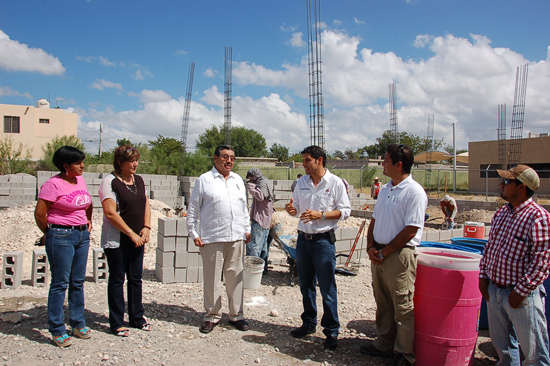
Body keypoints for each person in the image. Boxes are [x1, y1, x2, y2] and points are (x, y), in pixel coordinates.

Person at [361, 144, 427, 366]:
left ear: (399, 165)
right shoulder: (387, 188)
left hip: (398, 255)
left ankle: (404, 354)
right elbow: (374, 220)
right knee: (383, 302)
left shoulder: (414, 192)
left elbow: (411, 229)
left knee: (402, 305)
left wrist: (384, 251)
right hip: (379, 253)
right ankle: (384, 343)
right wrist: (370, 247)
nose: (383, 165)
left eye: (386, 160)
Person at [479, 165, 550, 365]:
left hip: (522, 297)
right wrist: (483, 276)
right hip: (495, 291)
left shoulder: (537, 217)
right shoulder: (502, 214)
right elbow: (490, 248)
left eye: (508, 181)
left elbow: (542, 262)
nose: (502, 184)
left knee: (535, 354)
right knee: (504, 349)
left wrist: (520, 291)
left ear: (522, 187)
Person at [285, 145, 351, 350]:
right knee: (306, 286)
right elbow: (295, 209)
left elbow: (345, 211)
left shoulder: (335, 183)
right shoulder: (301, 182)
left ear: (319, 160)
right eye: (303, 161)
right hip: (303, 241)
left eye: (307, 160)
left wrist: (321, 215)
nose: (303, 164)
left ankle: (331, 331)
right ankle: (309, 323)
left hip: (323, 242)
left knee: (327, 288)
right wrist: (292, 209)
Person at [186, 145, 252, 334]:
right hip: (212, 237)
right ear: (215, 158)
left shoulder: (238, 180)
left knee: (235, 277)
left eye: (232, 157)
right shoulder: (204, 180)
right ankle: (212, 315)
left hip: (236, 237)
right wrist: (194, 233)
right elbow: (193, 209)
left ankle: (236, 315)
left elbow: (244, 208)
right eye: (224, 157)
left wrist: (246, 229)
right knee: (213, 278)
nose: (229, 160)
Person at [34, 146, 93, 347]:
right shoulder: (52, 185)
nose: (82, 166)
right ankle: (57, 328)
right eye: (78, 163)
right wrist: (49, 233)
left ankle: (78, 323)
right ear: (66, 166)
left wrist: (88, 222)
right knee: (60, 283)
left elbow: (87, 203)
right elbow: (40, 213)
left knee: (78, 282)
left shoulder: (80, 180)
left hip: (81, 235)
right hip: (61, 236)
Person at [99, 145, 152, 337]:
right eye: (131, 161)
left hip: (137, 238)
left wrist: (146, 227)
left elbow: (145, 203)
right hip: (118, 239)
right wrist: (131, 233)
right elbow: (111, 213)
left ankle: (137, 317)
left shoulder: (138, 180)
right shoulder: (110, 182)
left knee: (135, 278)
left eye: (137, 160)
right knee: (117, 279)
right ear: (120, 162)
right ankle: (117, 322)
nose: (135, 164)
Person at [245, 167, 274, 275]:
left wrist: (251, 188)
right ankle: (263, 270)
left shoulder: (260, 183)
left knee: (253, 246)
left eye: (251, 178)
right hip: (266, 219)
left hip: (260, 218)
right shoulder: (266, 181)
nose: (250, 180)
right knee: (263, 247)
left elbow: (261, 197)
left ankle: (252, 272)